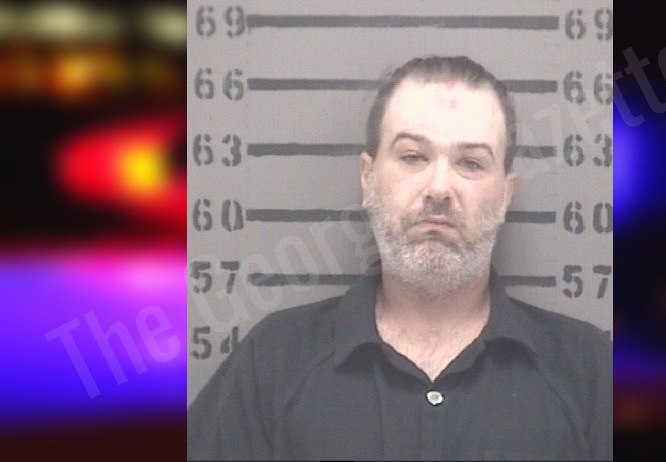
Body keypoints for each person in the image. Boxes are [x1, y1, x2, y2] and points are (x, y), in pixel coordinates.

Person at [187, 56, 613, 461]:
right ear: (367, 177)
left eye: (470, 163)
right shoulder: (273, 362)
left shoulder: (590, 372)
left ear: (505, 194)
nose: (439, 188)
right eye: (413, 157)